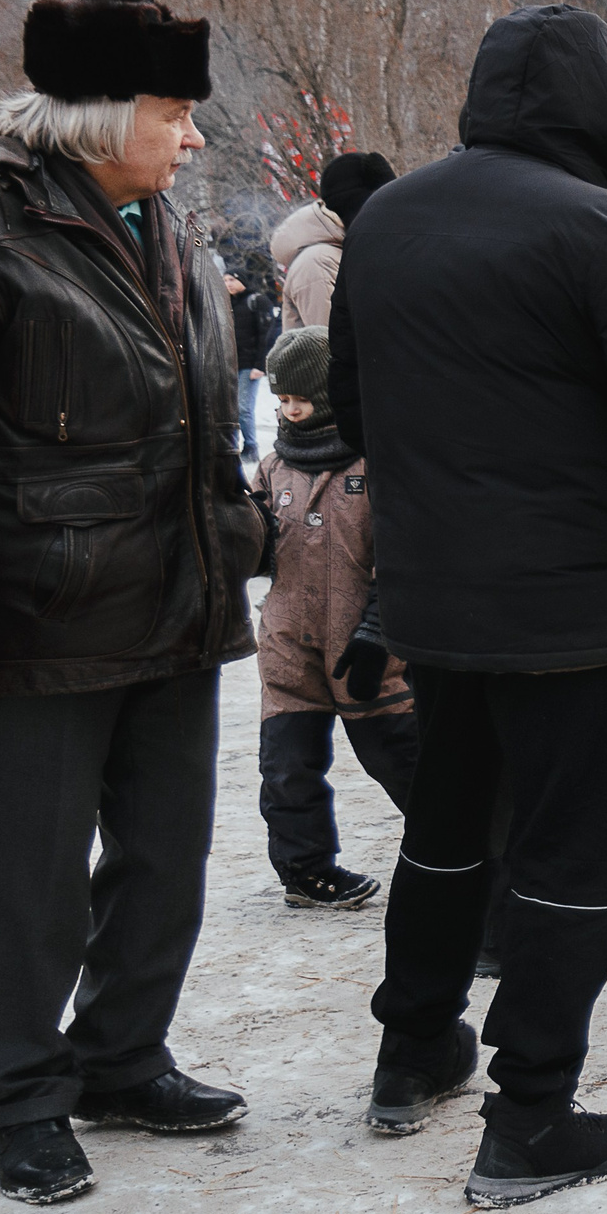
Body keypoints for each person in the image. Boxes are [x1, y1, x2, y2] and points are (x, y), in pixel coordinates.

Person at [332, 3, 607, 1207]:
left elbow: (357, 411)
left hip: (438, 589)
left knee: (451, 821)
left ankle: (413, 1045)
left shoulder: (390, 219)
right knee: (576, 850)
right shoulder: (606, 229)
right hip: (581, 596)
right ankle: (532, 1113)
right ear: (601, 104)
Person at [0, 0, 267, 1204]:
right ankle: (24, 1097)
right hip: (40, 620)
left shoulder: (165, 226)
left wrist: (238, 532)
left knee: (168, 855)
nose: (193, 137)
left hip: (175, 601)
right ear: (93, 113)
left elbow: (194, 417)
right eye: (174, 111)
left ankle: (121, 1055)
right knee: (31, 876)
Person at [252, 325, 418, 909]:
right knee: (288, 766)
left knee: (402, 759)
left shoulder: (378, 461)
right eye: (282, 401)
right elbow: (256, 552)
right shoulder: (273, 466)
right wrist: (240, 524)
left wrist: (379, 633)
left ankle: (460, 853)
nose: (290, 412)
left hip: (365, 648)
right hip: (287, 642)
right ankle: (305, 868)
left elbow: (402, 559)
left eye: (301, 399)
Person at [271, 150, 396, 331]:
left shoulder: (341, 252)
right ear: (361, 209)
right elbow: (332, 345)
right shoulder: (318, 262)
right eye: (382, 207)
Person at [226, 269, 277, 461]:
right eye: (225, 280)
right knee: (230, 408)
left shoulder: (257, 301)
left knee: (243, 407)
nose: (228, 283)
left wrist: (260, 365)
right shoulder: (226, 302)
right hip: (230, 364)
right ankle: (232, 447)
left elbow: (267, 335)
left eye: (232, 279)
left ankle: (251, 447)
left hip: (250, 364)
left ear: (242, 281)